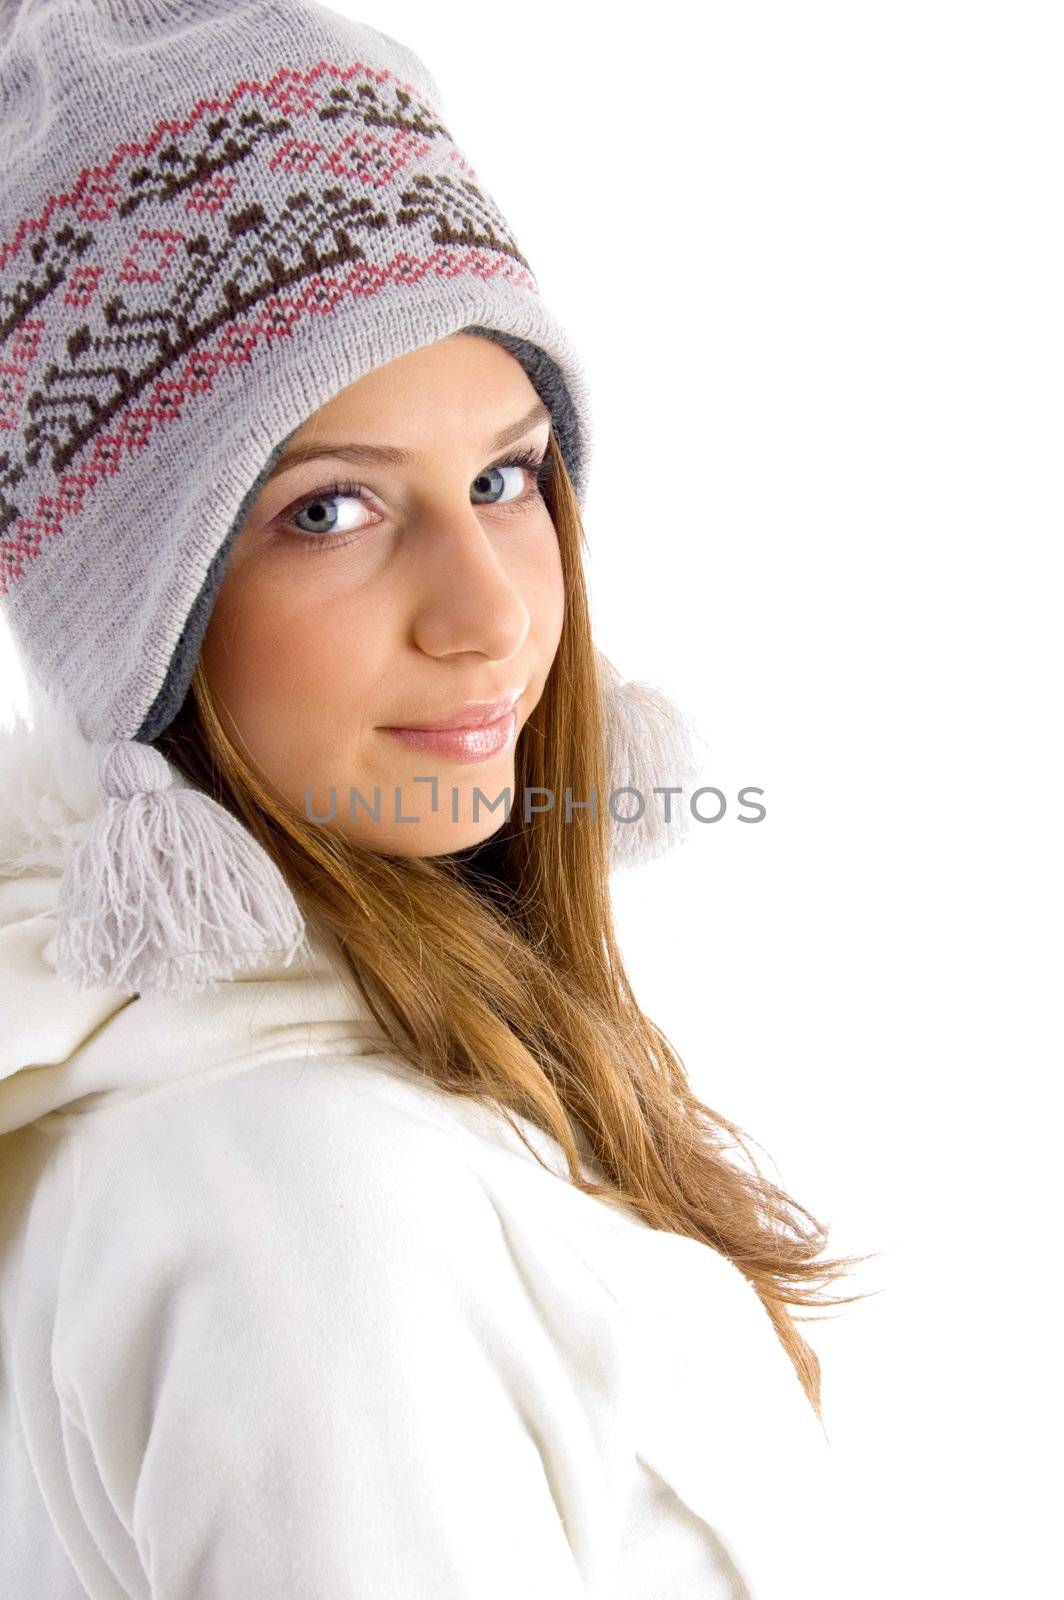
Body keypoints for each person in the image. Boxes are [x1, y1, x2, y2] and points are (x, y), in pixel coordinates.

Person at [0, 3, 871, 1595]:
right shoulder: (296, 1206)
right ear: (144, 619)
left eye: (507, 478)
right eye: (329, 509)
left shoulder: (355, 1086)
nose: (486, 612)